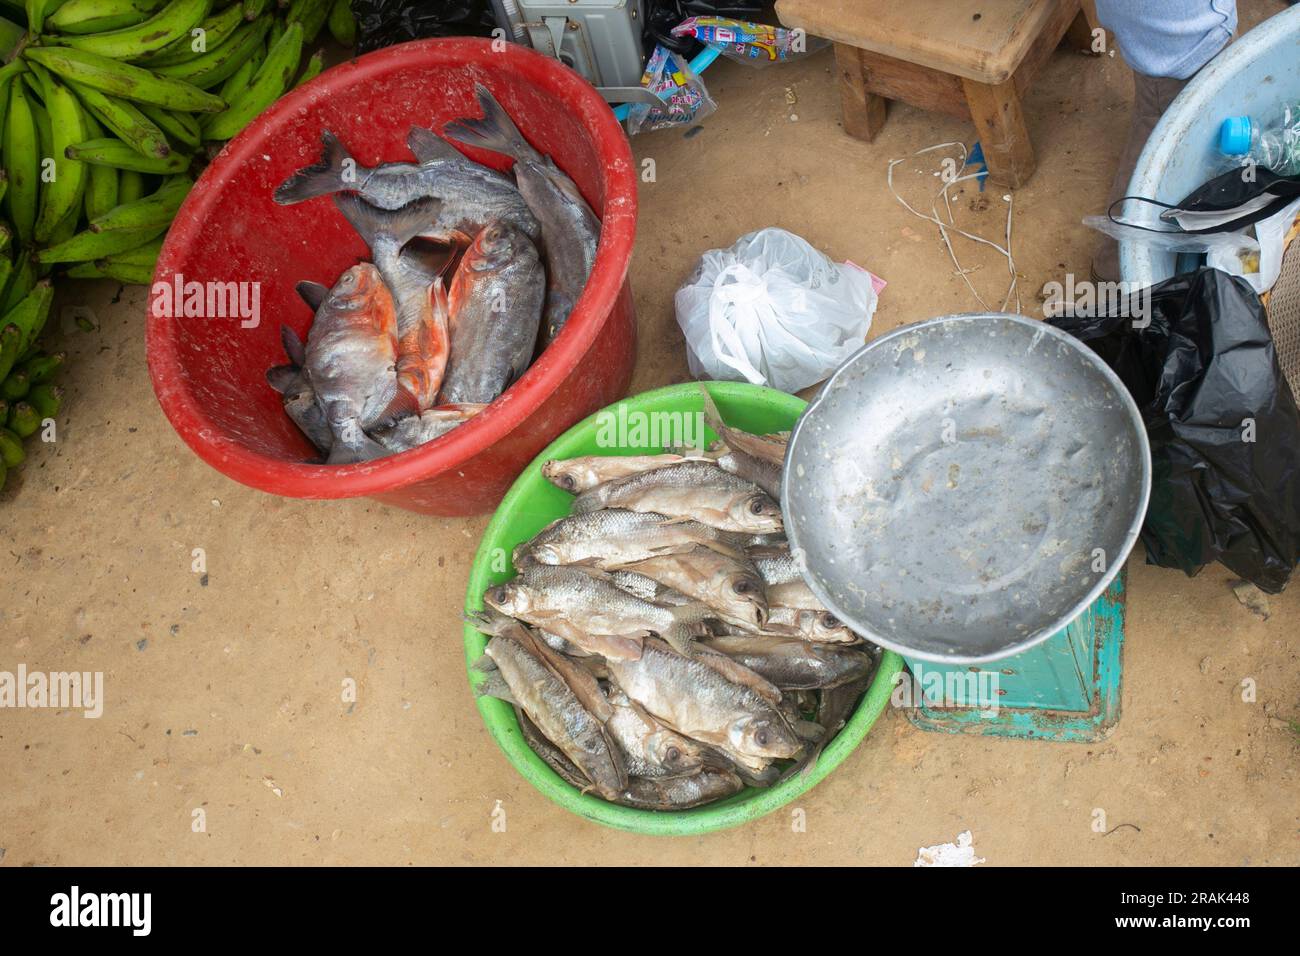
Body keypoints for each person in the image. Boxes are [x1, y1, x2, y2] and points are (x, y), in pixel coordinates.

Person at [1090, 0, 1238, 282]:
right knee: (1155, 148)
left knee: (1158, 112)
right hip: (1183, 46)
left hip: (1174, 36)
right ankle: (1117, 263)